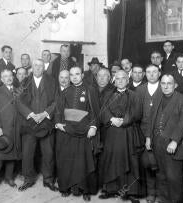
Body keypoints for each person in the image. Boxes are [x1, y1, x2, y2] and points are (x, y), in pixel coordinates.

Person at [55, 66, 100, 201]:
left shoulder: (90, 90)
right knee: (67, 160)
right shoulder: (65, 91)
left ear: (82, 75)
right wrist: (58, 124)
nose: (74, 77)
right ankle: (67, 186)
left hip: (84, 131)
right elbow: (58, 110)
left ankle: (85, 189)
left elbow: (95, 111)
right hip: (68, 131)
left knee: (84, 161)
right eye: (72, 75)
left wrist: (93, 126)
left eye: (77, 74)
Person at [99, 70, 144, 203]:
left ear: (127, 80)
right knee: (111, 160)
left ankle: (131, 192)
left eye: (123, 78)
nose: (120, 81)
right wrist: (111, 119)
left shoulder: (134, 95)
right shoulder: (106, 94)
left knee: (130, 161)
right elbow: (102, 111)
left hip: (128, 131)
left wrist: (123, 121)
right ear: (113, 80)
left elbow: (137, 112)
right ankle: (111, 189)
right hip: (112, 133)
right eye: (117, 78)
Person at [146, 74, 183, 203]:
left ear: (175, 85)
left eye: (169, 83)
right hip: (157, 143)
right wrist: (148, 137)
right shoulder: (158, 97)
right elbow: (151, 119)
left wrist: (175, 141)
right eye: (163, 83)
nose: (165, 86)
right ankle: (164, 200)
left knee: (173, 177)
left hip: (172, 145)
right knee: (161, 175)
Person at [17, 59, 57, 192]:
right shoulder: (24, 82)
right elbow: (18, 101)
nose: (38, 68)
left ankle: (48, 179)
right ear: (32, 68)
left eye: (40, 66)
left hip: (46, 123)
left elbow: (57, 101)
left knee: (48, 153)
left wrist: (45, 114)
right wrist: (31, 114)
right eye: (35, 66)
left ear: (43, 68)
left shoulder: (52, 81)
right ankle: (28, 179)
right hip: (29, 124)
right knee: (27, 154)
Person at [0, 69, 21, 194]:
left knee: (12, 157)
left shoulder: (17, 91)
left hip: (15, 129)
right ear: (1, 79)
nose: (8, 78)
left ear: (13, 77)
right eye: (5, 76)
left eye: (10, 76)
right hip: (1, 130)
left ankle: (9, 178)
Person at [135, 64, 162, 203]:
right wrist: (145, 136)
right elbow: (137, 114)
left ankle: (162, 193)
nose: (152, 74)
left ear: (159, 73)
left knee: (162, 164)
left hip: (161, 134)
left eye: (154, 72)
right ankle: (151, 193)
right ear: (145, 74)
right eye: (149, 72)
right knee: (148, 164)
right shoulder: (139, 90)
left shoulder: (165, 87)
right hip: (143, 133)